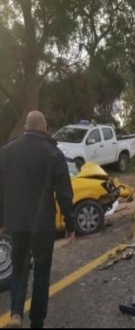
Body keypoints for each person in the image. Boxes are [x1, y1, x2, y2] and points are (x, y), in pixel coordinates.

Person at [0, 110, 76, 329]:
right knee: (42, 274)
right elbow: (64, 192)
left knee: (18, 269)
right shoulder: (53, 153)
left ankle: (16, 313)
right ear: (45, 128)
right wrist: (70, 224)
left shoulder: (7, 151)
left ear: (25, 128)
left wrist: (2, 220)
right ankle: (37, 322)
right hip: (43, 225)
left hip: (17, 223)